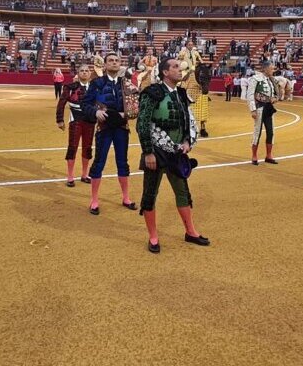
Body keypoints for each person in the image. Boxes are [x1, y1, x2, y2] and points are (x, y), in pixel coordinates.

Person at [136, 57, 210, 253]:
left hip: (177, 152)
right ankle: (153, 236)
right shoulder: (152, 93)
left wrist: (187, 141)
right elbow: (142, 124)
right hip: (156, 152)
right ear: (165, 72)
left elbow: (187, 121)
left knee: (183, 192)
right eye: (175, 67)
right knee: (150, 194)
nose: (180, 70)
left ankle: (190, 231)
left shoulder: (181, 94)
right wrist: (148, 153)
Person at [81, 52, 137, 214]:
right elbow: (85, 104)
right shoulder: (96, 83)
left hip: (121, 127)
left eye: (116, 60)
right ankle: (94, 200)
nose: (114, 63)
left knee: (122, 162)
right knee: (99, 162)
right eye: (110, 61)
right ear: (104, 65)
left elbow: (135, 106)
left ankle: (126, 198)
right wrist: (95, 113)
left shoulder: (127, 84)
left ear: (120, 64)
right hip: (103, 127)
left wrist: (126, 115)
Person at [57, 62, 96, 187]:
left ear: (90, 74)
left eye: (86, 71)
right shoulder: (70, 87)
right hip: (76, 120)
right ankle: (70, 176)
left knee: (87, 147)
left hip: (90, 121)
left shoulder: (95, 87)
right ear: (78, 74)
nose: (84, 72)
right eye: (82, 71)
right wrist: (60, 119)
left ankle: (84, 174)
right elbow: (61, 103)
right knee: (72, 147)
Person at [248, 61, 280, 165]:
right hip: (259, 108)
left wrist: (275, 98)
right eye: (271, 68)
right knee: (258, 132)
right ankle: (254, 156)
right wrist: (252, 110)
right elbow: (250, 95)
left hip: (268, 108)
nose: (273, 70)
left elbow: (276, 94)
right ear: (265, 69)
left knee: (271, 132)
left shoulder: (271, 80)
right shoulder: (255, 78)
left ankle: (269, 155)